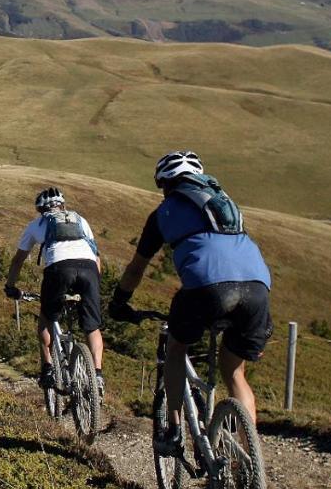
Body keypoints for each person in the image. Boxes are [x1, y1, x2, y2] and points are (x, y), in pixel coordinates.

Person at [109, 151, 272, 455]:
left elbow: (135, 269)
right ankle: (248, 460)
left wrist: (119, 301)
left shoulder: (162, 214)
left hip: (205, 288)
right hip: (258, 287)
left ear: (165, 185)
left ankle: (172, 430)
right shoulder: (225, 205)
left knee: (175, 350)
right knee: (235, 373)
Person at [3, 187, 104, 394]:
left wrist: (11, 285)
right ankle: (98, 375)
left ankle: (48, 369)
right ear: (63, 205)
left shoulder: (35, 225)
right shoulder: (80, 220)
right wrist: (95, 285)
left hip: (59, 268)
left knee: (46, 318)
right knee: (92, 327)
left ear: (40, 209)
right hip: (89, 269)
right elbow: (96, 255)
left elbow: (18, 260)